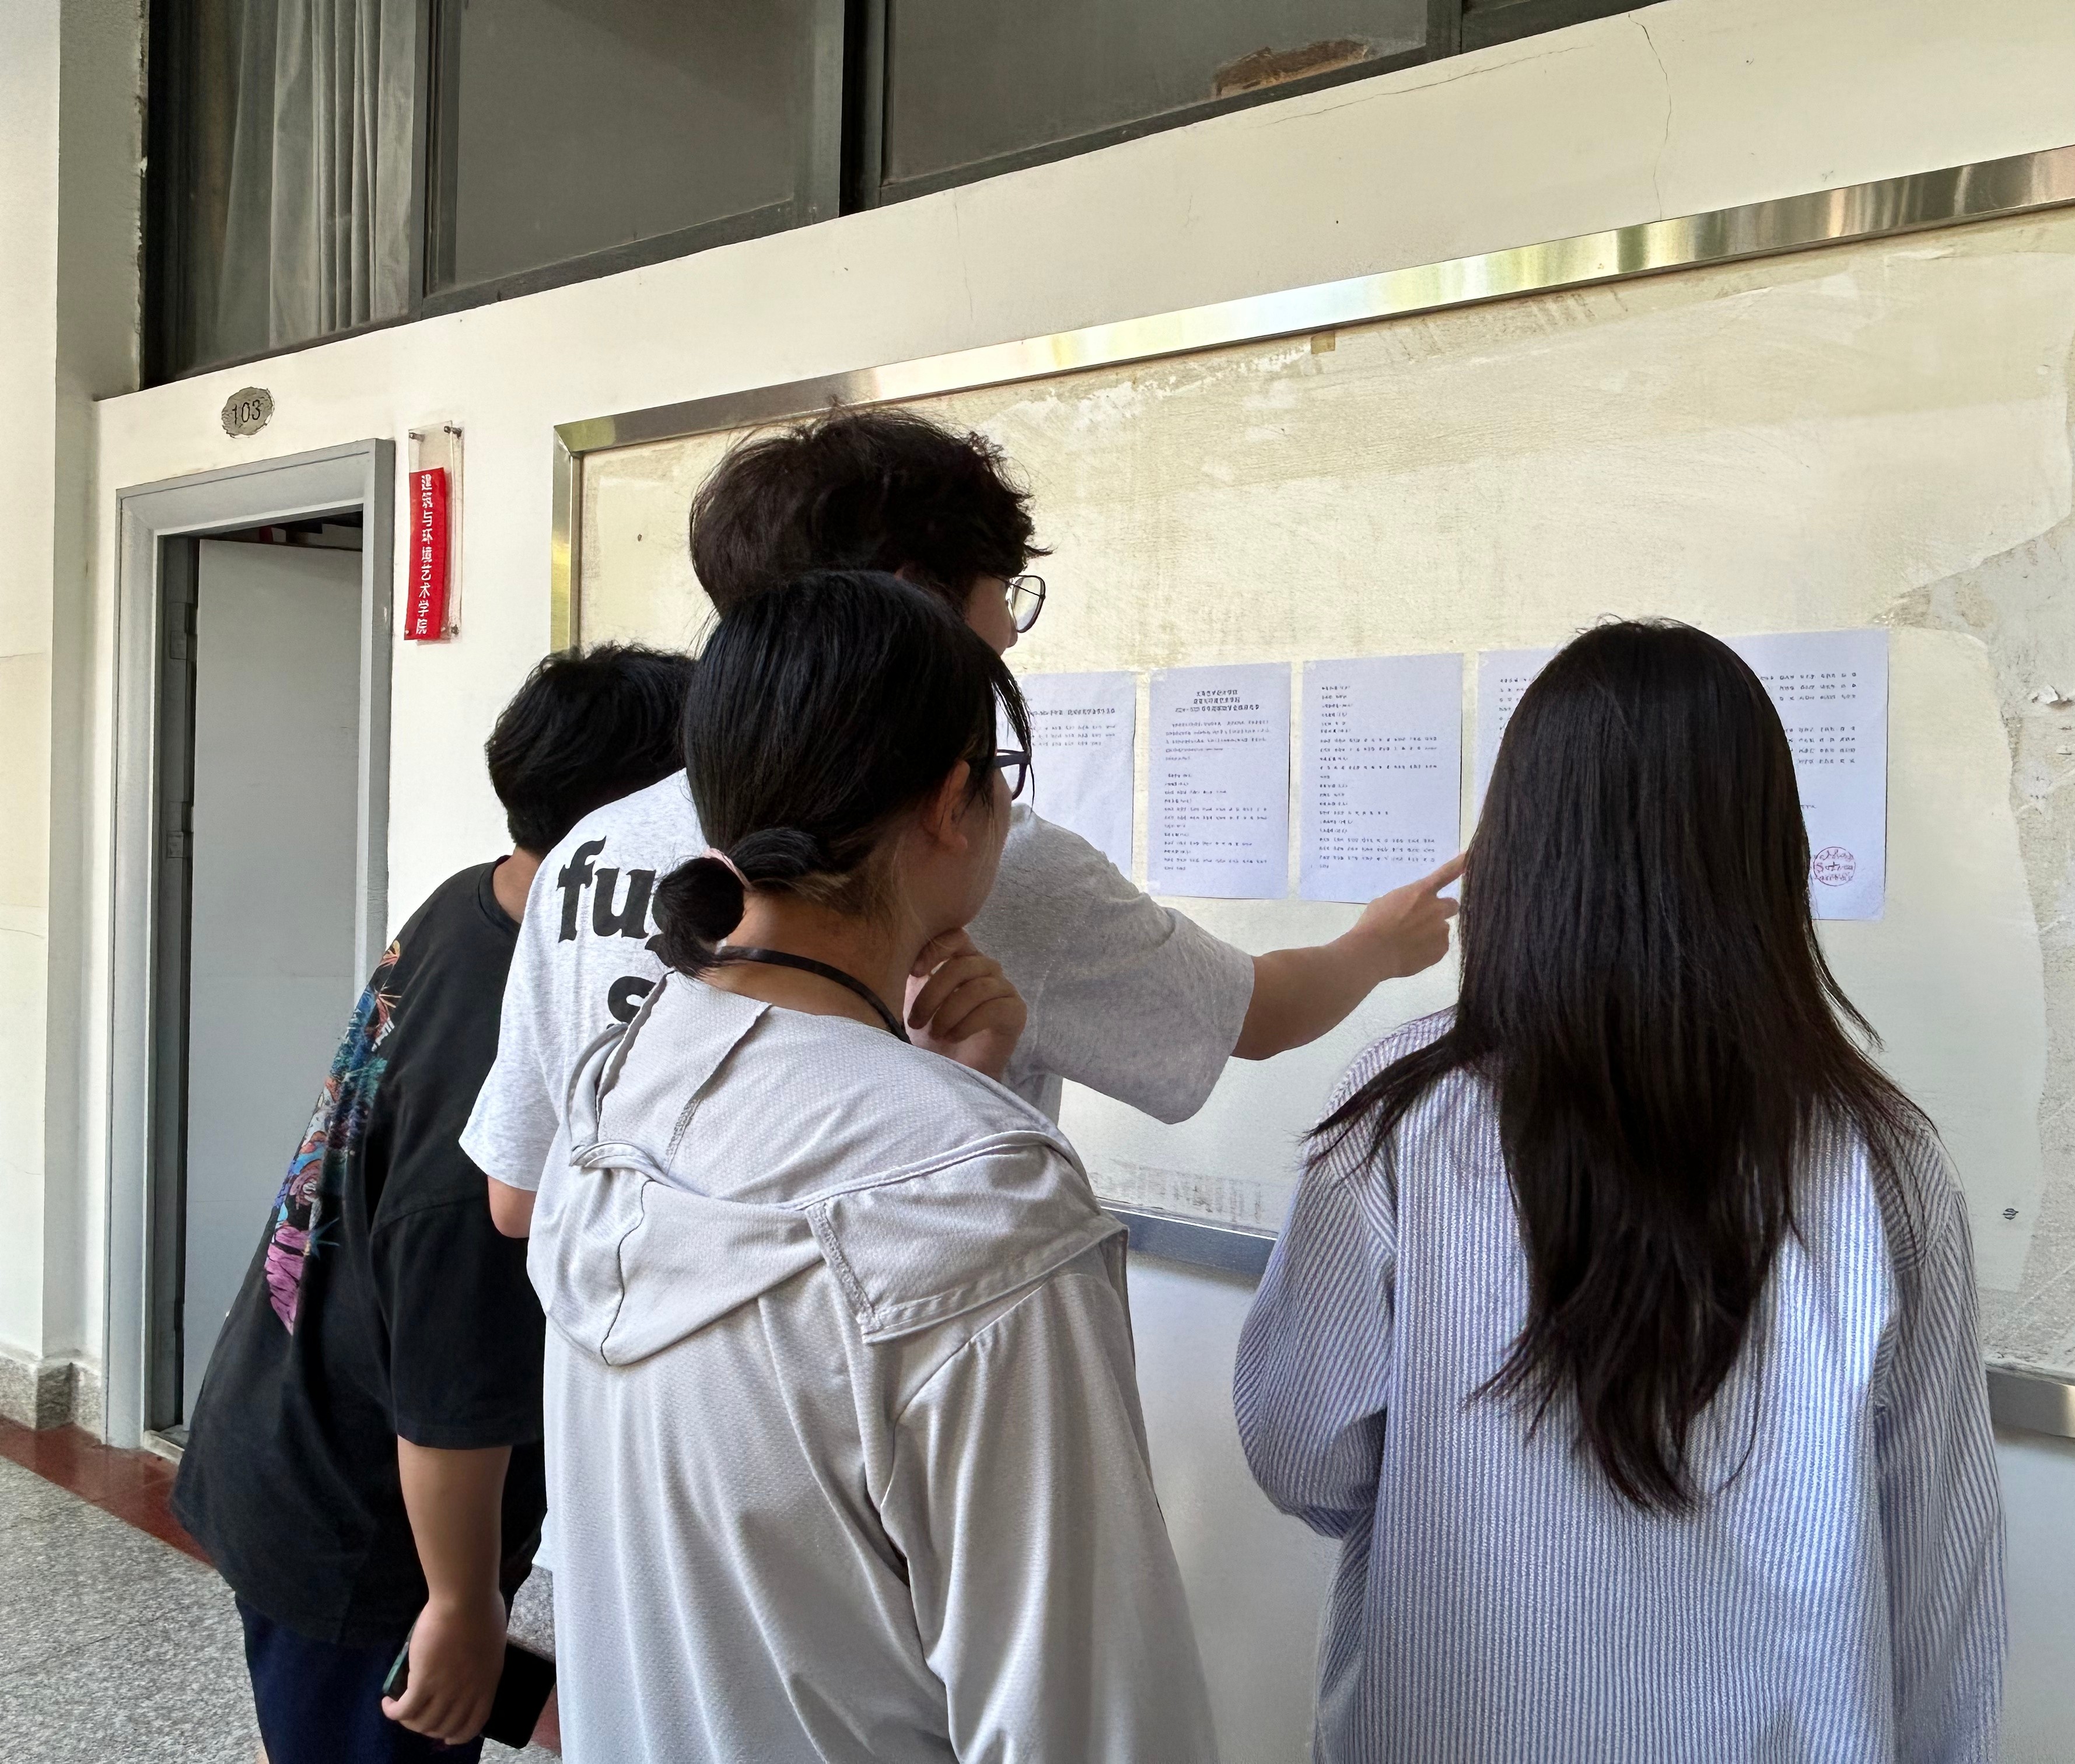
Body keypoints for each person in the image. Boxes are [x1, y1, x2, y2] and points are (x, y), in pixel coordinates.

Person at [1234, 621, 2004, 1763]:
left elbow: (1302, 1452)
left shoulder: (1404, 1124)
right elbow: (1941, 1575)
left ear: (1516, 853)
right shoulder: (1881, 1161)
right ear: (1771, 857)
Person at [464, 405, 1461, 1232]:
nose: (1009, 634)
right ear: (912, 601)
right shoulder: (971, 861)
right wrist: (1379, 944)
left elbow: (519, 1199)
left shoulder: (589, 848)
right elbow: (1259, 1016)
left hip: (627, 1399)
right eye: (1002, 592)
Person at [530, 570, 1217, 1762]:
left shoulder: (619, 1084)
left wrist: (941, 1083)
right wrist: (946, 1110)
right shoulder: (981, 1199)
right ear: (954, 803)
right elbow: (1089, 1716)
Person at [172, 643, 695, 1763]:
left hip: (293, 1424)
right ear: (627, 828)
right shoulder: (496, 1102)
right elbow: (448, 1383)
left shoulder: (482, 899)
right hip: (365, 1525)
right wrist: (461, 1604)